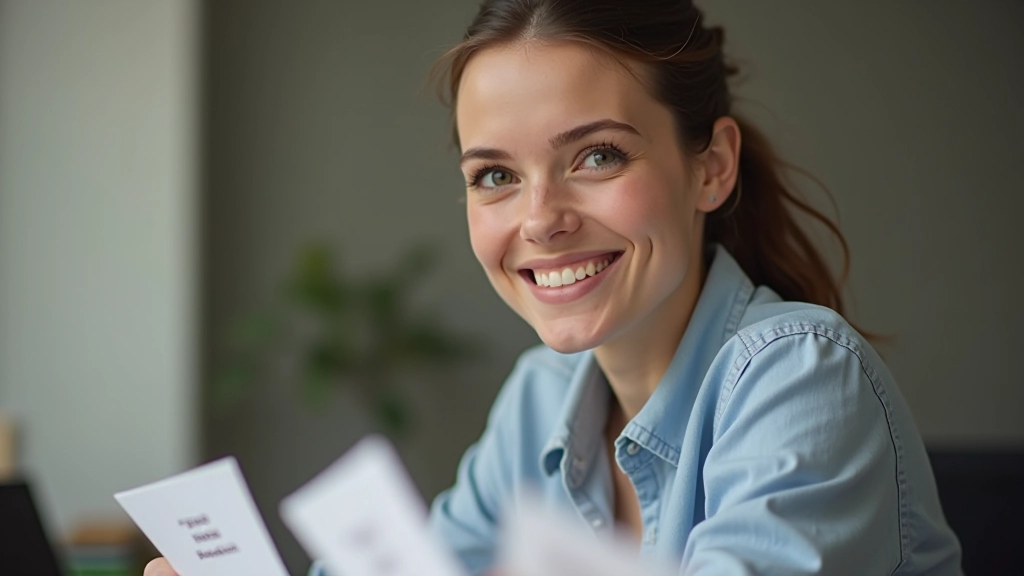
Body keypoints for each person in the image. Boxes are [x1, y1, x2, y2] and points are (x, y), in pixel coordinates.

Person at [146, 0, 962, 574]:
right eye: (495, 175)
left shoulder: (802, 376)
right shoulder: (540, 400)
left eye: (597, 156)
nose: (540, 220)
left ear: (711, 166)